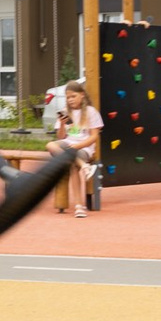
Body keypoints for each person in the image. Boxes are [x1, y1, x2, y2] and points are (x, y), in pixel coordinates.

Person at [46, 79, 104, 219]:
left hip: (84, 147)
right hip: (68, 145)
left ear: (82, 95)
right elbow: (61, 137)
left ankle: (79, 206)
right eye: (68, 97)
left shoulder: (91, 112)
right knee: (50, 145)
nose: (70, 100)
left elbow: (94, 137)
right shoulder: (66, 112)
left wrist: (78, 146)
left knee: (72, 166)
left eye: (73, 96)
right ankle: (84, 166)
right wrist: (61, 124)